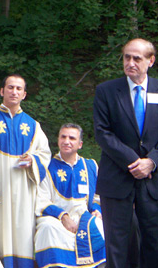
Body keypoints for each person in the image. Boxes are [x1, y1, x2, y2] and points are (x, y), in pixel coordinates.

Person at [0, 74, 51, 268]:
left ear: (24, 94)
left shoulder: (33, 125)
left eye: (18, 89)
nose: (14, 92)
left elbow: (45, 153)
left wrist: (33, 160)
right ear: (2, 91)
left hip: (25, 190)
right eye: (10, 87)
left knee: (23, 235)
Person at [93, 38, 158, 268]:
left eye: (137, 58)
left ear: (151, 61)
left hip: (152, 182)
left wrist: (151, 161)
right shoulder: (106, 91)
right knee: (117, 246)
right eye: (126, 57)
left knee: (153, 243)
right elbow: (102, 133)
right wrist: (134, 161)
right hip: (117, 178)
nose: (130, 62)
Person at [35, 123, 105, 268]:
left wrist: (97, 209)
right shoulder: (46, 166)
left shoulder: (90, 166)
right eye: (63, 137)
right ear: (58, 140)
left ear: (80, 144)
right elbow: (41, 200)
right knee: (47, 228)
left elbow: (98, 196)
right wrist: (64, 217)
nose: (67, 141)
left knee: (101, 225)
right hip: (56, 219)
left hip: (84, 218)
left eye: (72, 138)